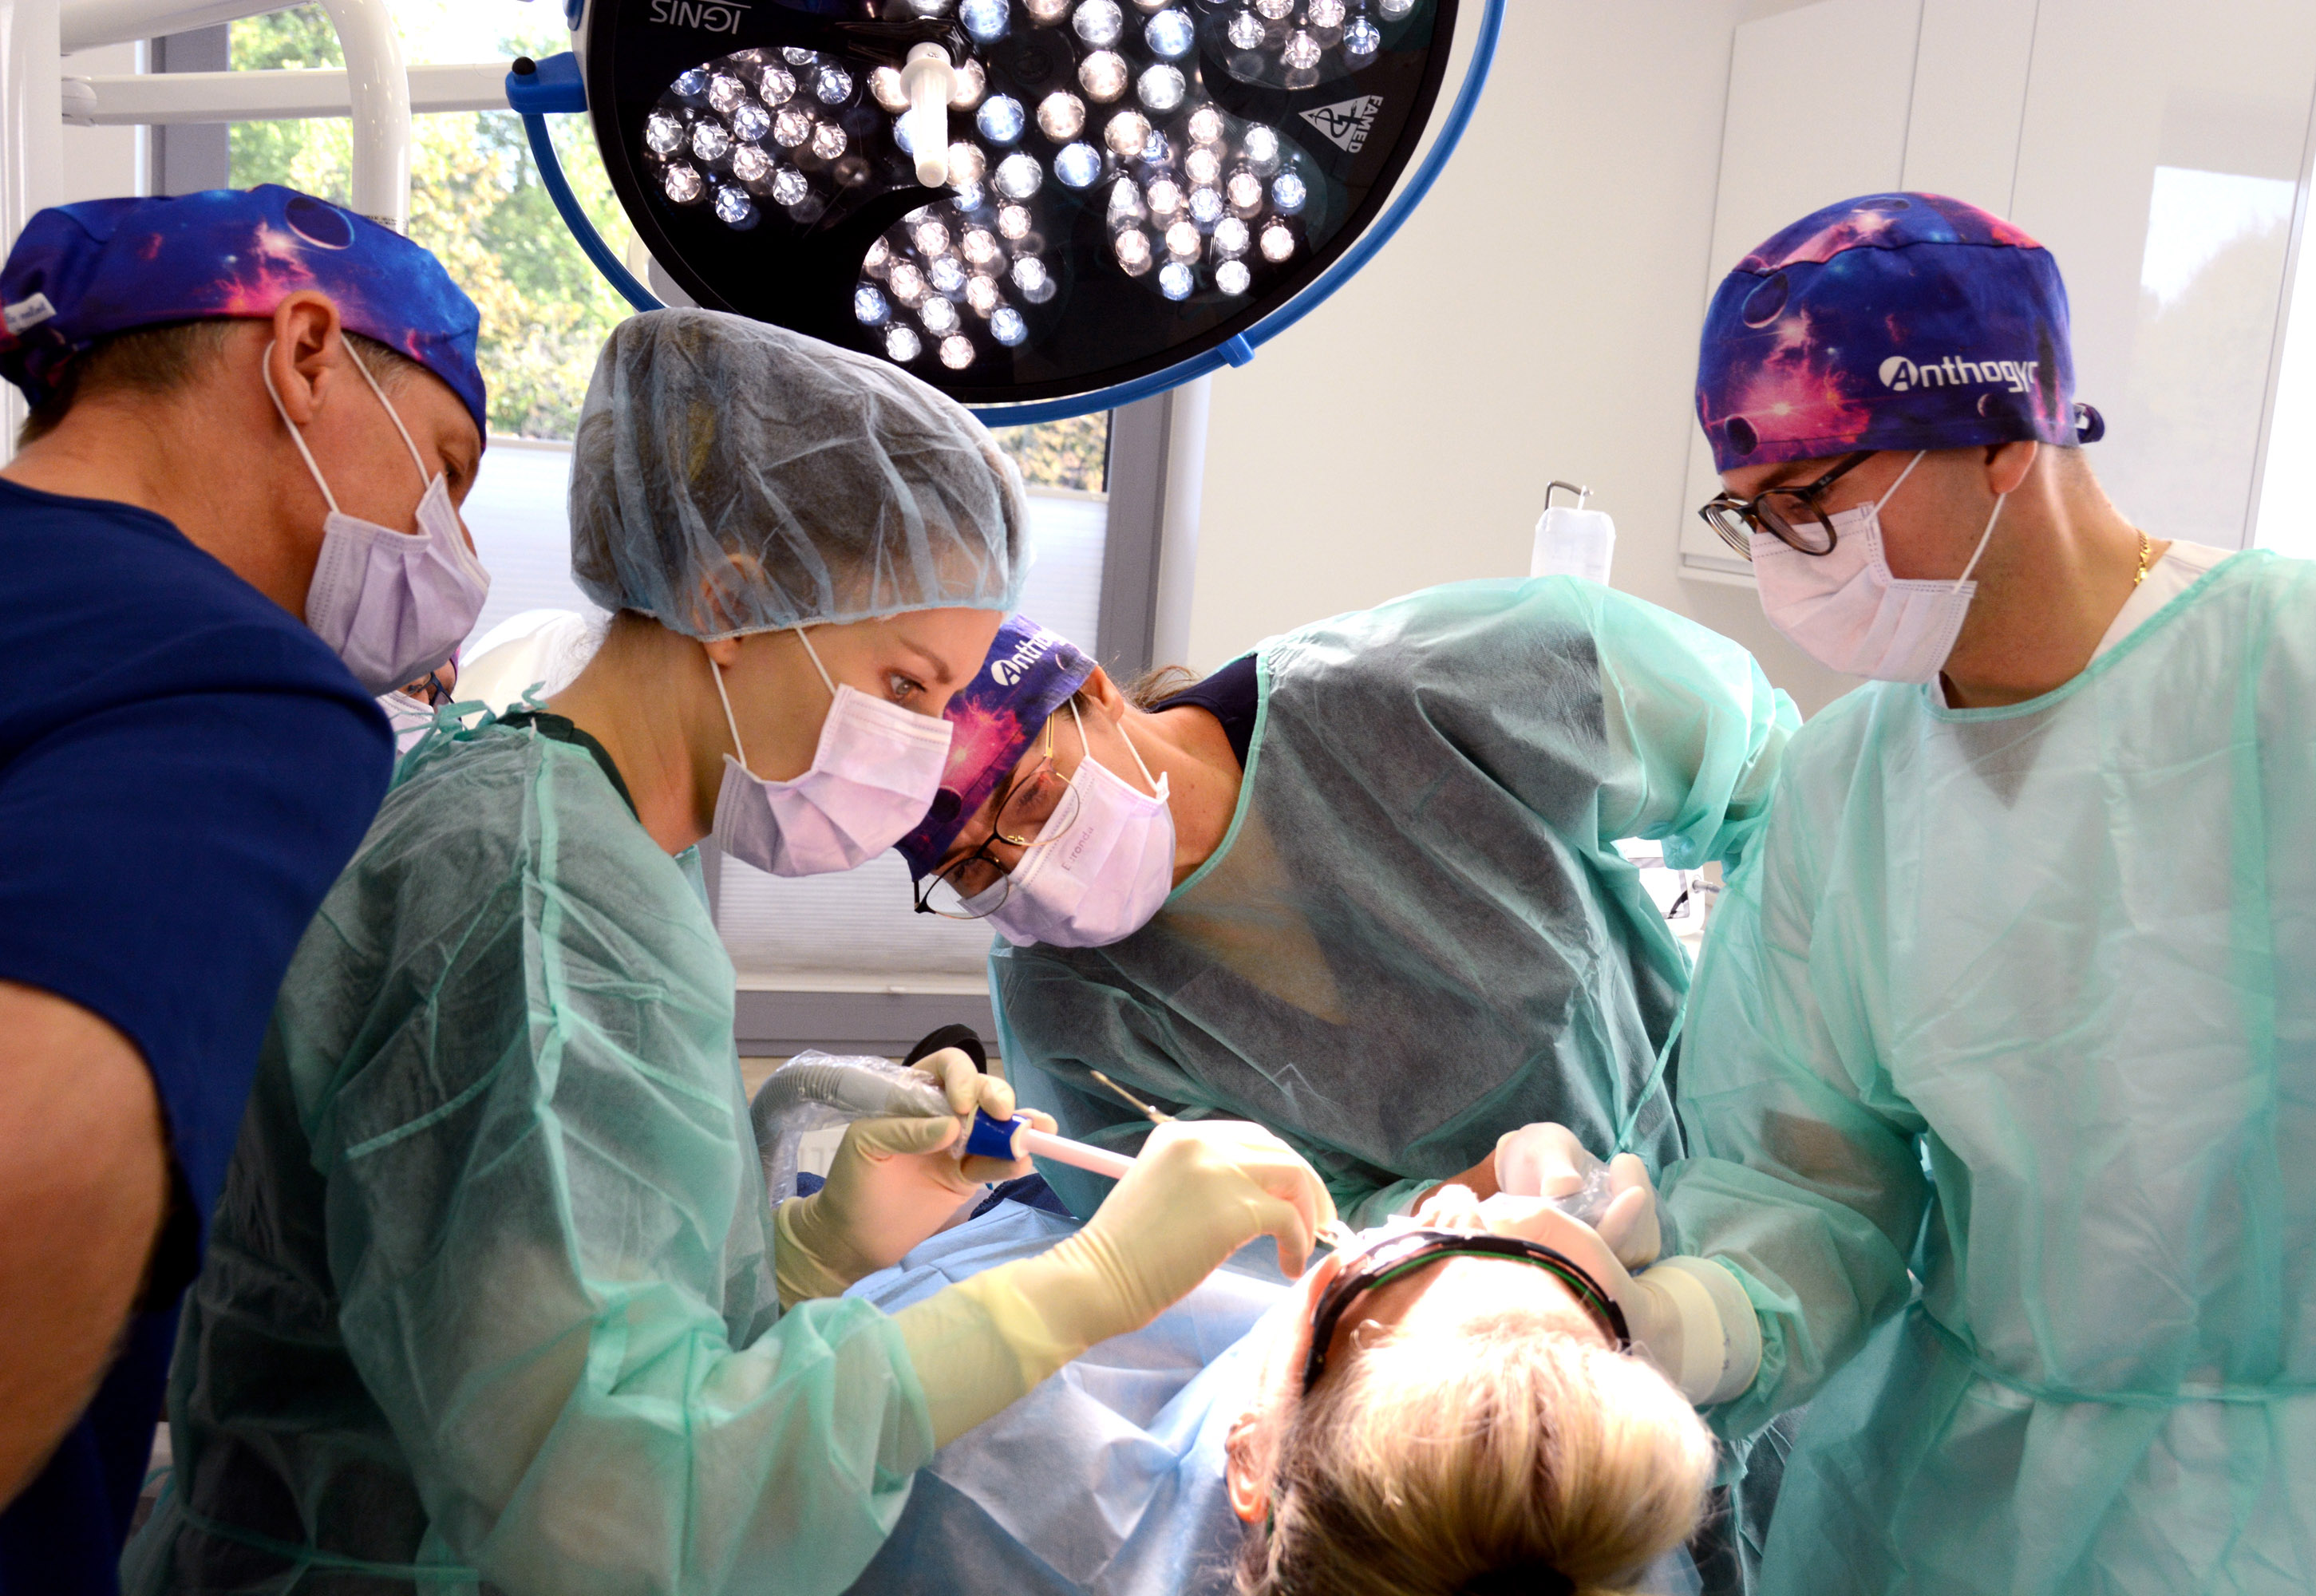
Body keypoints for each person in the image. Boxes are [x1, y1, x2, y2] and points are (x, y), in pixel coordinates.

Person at [121, 307, 1338, 1595]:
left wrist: (810, 1254)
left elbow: (539, 1311)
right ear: (731, 603)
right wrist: (1088, 1282)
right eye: (908, 685)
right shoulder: (539, 903)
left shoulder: (585, 839)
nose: (923, 757)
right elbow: (604, 1500)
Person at [1633, 190, 2316, 1594]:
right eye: (1752, 514)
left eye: (1812, 501)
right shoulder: (1846, 788)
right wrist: (1670, 1320)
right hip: (1955, 1518)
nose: (1785, 559)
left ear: (2000, 434)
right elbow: (1808, 1185)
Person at [0, 185, 489, 1588]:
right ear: (308, 352)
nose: (456, 552)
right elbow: (31, 1166)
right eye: (445, 472)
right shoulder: (232, 683)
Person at [895, 595, 1796, 1227]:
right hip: (1487, 1340)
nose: (1029, 868)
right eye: (972, 869)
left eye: (1032, 798)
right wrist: (1469, 1206)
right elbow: (1261, 1245)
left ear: (1094, 693)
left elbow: (1781, 791)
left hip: (1761, 1193)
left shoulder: (1408, 694)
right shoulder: (1068, 1010)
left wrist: (1780, 1082)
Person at [828, 1165, 1726, 1596]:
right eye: (1602, 1337)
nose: (1457, 1208)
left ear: (1255, 1454)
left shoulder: (948, 1471)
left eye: (1405, 1255)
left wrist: (835, 1251)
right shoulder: (1599, 1548)